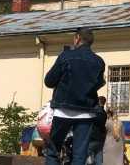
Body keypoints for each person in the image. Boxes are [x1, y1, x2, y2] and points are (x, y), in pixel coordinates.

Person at [44, 27, 106, 165]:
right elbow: (98, 84)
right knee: (79, 156)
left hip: (63, 110)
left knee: (54, 150)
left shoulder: (65, 57)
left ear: (77, 38)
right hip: (86, 113)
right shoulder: (99, 62)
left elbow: (49, 81)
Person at [88, 96, 107, 165]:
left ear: (99, 102)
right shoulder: (105, 113)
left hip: (93, 138)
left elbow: (91, 122)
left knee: (82, 157)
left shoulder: (96, 113)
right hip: (101, 139)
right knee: (99, 160)